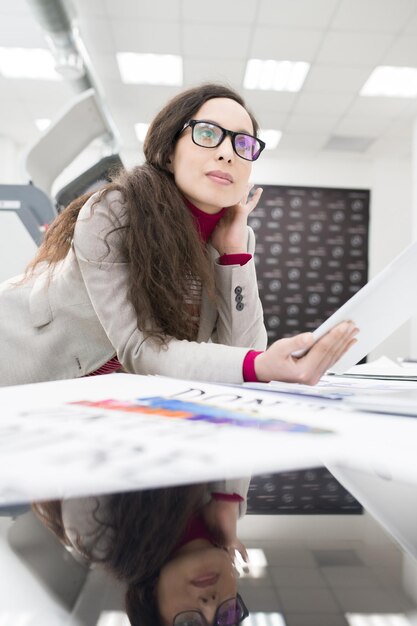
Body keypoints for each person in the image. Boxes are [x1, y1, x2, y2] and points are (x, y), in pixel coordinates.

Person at [0, 83, 357, 387]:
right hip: (28, 360)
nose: (226, 153)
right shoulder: (114, 211)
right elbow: (139, 349)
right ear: (169, 152)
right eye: (207, 133)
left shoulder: (237, 238)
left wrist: (233, 254)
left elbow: (242, 349)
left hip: (112, 394)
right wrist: (258, 366)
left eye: (244, 145)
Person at [33, 479, 252, 626]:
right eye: (226, 617)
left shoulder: (100, 536)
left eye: (190, 625)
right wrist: (226, 501)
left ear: (151, 601)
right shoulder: (232, 506)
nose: (210, 604)